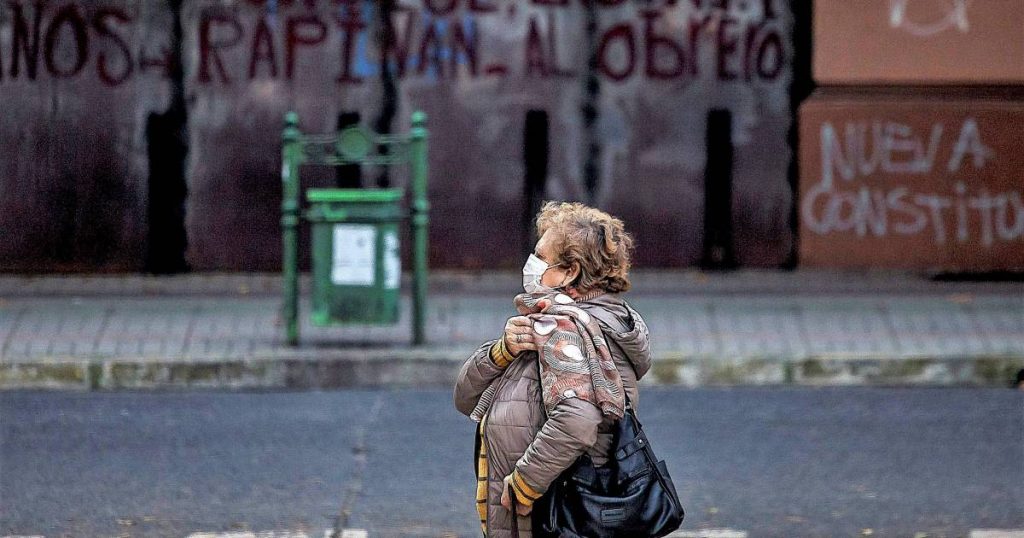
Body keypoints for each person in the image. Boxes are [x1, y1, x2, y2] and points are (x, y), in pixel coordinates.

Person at [454, 201, 652, 538]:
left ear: (569, 271)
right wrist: (502, 352)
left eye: (540, 256)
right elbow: (465, 397)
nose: (530, 265)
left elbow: (578, 419)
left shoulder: (564, 327)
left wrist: (523, 484)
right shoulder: (592, 320)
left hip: (550, 514)